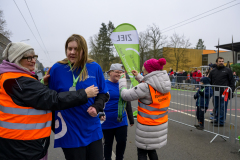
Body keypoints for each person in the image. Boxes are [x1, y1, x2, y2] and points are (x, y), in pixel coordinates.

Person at [0, 42, 98, 160]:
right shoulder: (18, 80)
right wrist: (84, 94)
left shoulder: (12, 77)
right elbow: (52, 99)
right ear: (16, 59)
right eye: (28, 58)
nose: (33, 60)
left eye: (34, 57)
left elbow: (30, 98)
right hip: (22, 145)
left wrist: (42, 84)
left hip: (20, 142)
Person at [48, 34, 109, 160]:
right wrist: (54, 126)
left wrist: (96, 107)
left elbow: (103, 93)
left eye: (76, 49)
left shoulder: (94, 67)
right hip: (69, 130)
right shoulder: (57, 69)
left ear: (84, 50)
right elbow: (51, 98)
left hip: (92, 128)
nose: (72, 52)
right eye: (69, 49)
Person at [119, 58, 171, 160]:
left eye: (144, 70)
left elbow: (125, 95)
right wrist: (138, 76)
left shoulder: (145, 87)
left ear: (148, 70)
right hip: (160, 123)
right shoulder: (164, 84)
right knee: (151, 150)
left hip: (147, 126)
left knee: (142, 151)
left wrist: (122, 81)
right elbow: (152, 83)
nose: (143, 71)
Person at [101, 63, 134, 160]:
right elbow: (98, 101)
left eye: (121, 72)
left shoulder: (122, 84)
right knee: (108, 144)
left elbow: (127, 102)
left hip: (121, 121)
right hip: (107, 121)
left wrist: (131, 119)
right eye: (116, 72)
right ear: (110, 72)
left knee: (122, 142)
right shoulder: (104, 84)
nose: (119, 74)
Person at [208, 57, 235, 127]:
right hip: (216, 91)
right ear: (216, 62)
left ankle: (221, 121)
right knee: (216, 106)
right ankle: (216, 119)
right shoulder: (213, 71)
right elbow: (209, 81)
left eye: (222, 61)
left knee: (223, 107)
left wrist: (231, 91)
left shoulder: (228, 70)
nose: (221, 62)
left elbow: (232, 81)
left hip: (225, 93)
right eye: (220, 61)